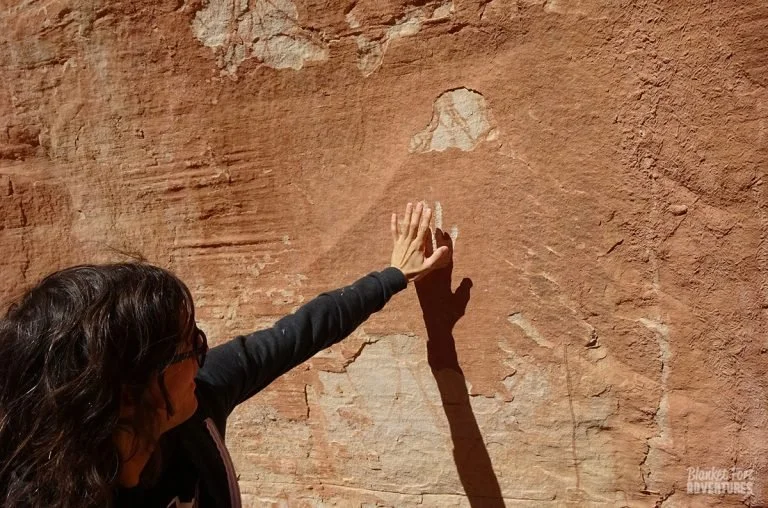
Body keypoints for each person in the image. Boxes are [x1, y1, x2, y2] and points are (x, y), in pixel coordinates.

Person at [0, 202, 450, 508]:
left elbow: (299, 333)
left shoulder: (204, 394)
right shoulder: (34, 493)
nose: (204, 352)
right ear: (125, 390)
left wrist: (391, 276)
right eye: (189, 346)